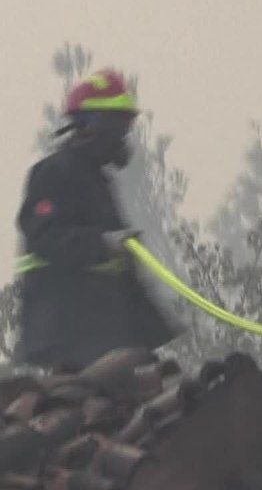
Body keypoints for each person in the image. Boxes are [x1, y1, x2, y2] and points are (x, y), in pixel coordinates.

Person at [13, 69, 183, 373]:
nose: (122, 138)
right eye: (117, 128)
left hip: (101, 332)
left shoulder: (94, 179)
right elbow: (44, 236)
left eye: (125, 128)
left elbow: (116, 270)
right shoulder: (55, 171)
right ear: (90, 126)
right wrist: (101, 243)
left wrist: (150, 327)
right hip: (68, 330)